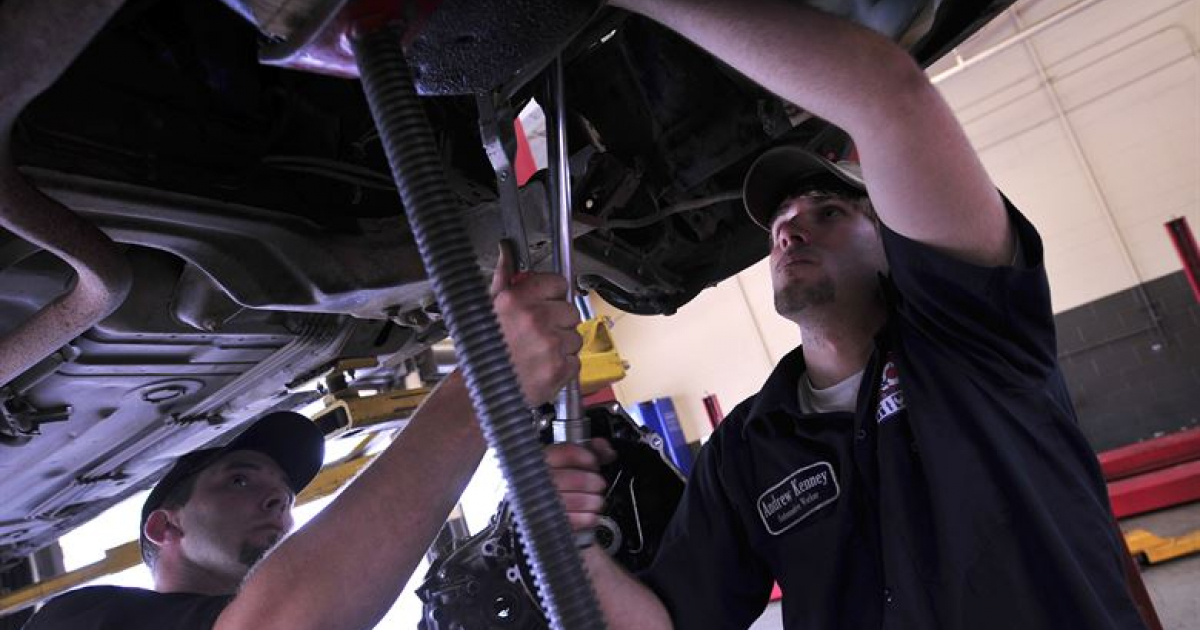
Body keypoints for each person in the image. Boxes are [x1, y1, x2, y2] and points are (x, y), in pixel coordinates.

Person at [547, 1, 1148, 629]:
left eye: (826, 213)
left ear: (893, 240)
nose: (788, 235)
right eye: (779, 227)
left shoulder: (972, 334)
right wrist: (574, 546)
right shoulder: (748, 448)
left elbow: (889, 94)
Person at [23, 249, 583, 630]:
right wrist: (485, 384)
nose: (278, 501)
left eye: (286, 495)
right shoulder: (80, 621)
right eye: (240, 478)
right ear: (164, 524)